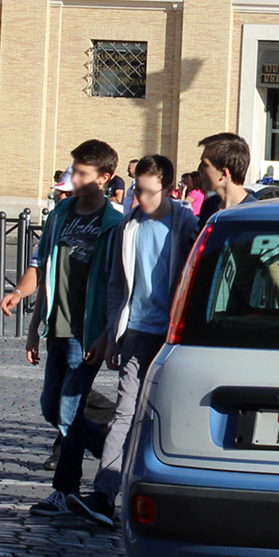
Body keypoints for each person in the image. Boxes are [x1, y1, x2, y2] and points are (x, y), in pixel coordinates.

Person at [67, 155, 199, 528]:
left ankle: (171, 498)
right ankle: (104, 493)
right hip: (136, 331)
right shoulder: (129, 226)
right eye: (135, 189)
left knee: (168, 417)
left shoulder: (186, 225)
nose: (137, 198)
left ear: (169, 189)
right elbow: (115, 286)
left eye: (146, 191)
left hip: (172, 336)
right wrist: (112, 333)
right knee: (126, 412)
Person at [25, 139, 124, 516]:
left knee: (69, 410)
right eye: (74, 170)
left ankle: (64, 491)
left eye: (83, 172)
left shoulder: (114, 224)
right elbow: (45, 269)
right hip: (57, 326)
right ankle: (116, 457)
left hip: (87, 332)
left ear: (104, 178)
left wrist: (105, 334)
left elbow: (118, 284)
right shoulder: (61, 214)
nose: (75, 178)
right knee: (53, 407)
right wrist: (35, 325)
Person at [196, 133, 257, 227]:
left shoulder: (255, 214)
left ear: (224, 173)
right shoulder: (209, 206)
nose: (199, 169)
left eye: (205, 165)